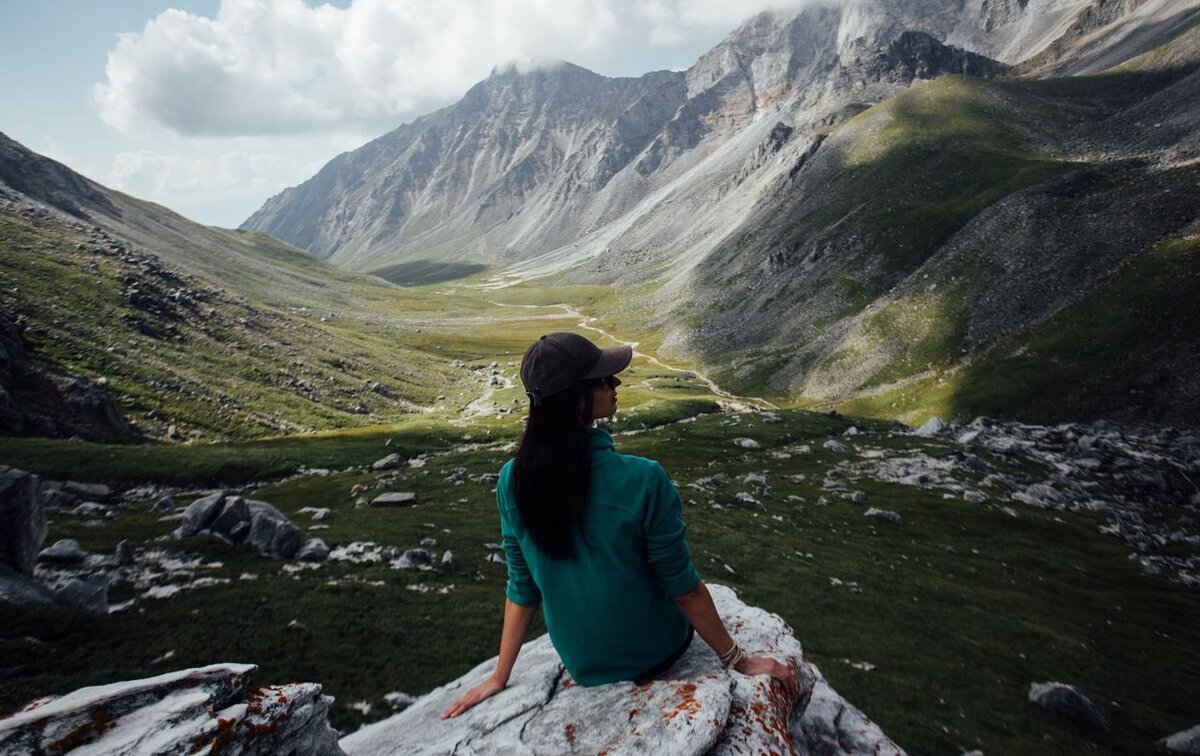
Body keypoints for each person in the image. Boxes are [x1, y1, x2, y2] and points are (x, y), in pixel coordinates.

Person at [441, 332, 798, 719]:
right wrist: (737, 659)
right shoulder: (643, 478)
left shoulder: (513, 480)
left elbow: (522, 586)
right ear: (577, 398)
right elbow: (684, 591)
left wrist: (500, 676)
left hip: (582, 664)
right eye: (604, 379)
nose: (615, 384)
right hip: (656, 652)